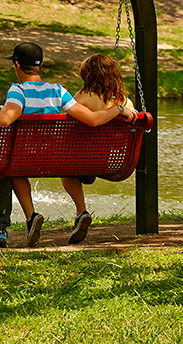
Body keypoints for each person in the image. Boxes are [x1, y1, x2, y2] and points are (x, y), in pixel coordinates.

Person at [0, 42, 138, 250]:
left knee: (5, 167)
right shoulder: (58, 91)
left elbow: (6, 118)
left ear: (17, 65)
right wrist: (119, 109)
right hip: (53, 158)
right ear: (39, 67)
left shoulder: (18, 90)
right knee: (10, 166)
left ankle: (23, 219)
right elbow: (93, 120)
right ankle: (3, 229)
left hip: (23, 159)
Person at [63, 53, 135, 244]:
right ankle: (80, 212)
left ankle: (81, 211)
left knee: (67, 174)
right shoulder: (126, 102)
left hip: (79, 159)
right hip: (110, 161)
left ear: (87, 76)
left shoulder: (83, 97)